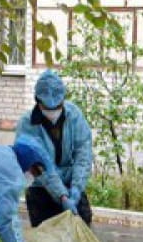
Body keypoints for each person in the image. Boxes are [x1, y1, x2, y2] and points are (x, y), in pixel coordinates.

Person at [16, 69, 94, 226]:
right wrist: (62, 196)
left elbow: (83, 153)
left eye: (57, 106)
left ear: (63, 100)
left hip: (70, 183)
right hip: (41, 188)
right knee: (47, 239)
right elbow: (39, 167)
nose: (53, 111)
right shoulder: (27, 125)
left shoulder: (74, 116)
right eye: (48, 108)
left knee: (82, 225)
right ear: (38, 102)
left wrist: (77, 188)